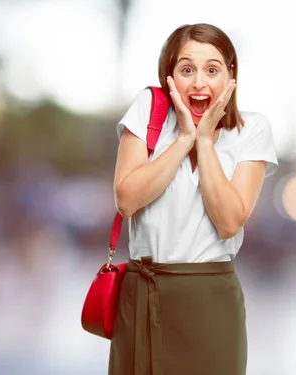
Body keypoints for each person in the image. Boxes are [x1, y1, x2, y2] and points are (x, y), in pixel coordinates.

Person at [108, 23, 278, 375]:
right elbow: (126, 200)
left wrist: (205, 141)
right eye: (187, 70)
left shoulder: (252, 130)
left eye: (212, 69)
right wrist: (184, 138)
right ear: (168, 76)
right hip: (143, 295)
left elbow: (229, 222)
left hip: (211, 302)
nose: (199, 82)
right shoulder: (147, 110)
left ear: (231, 76)